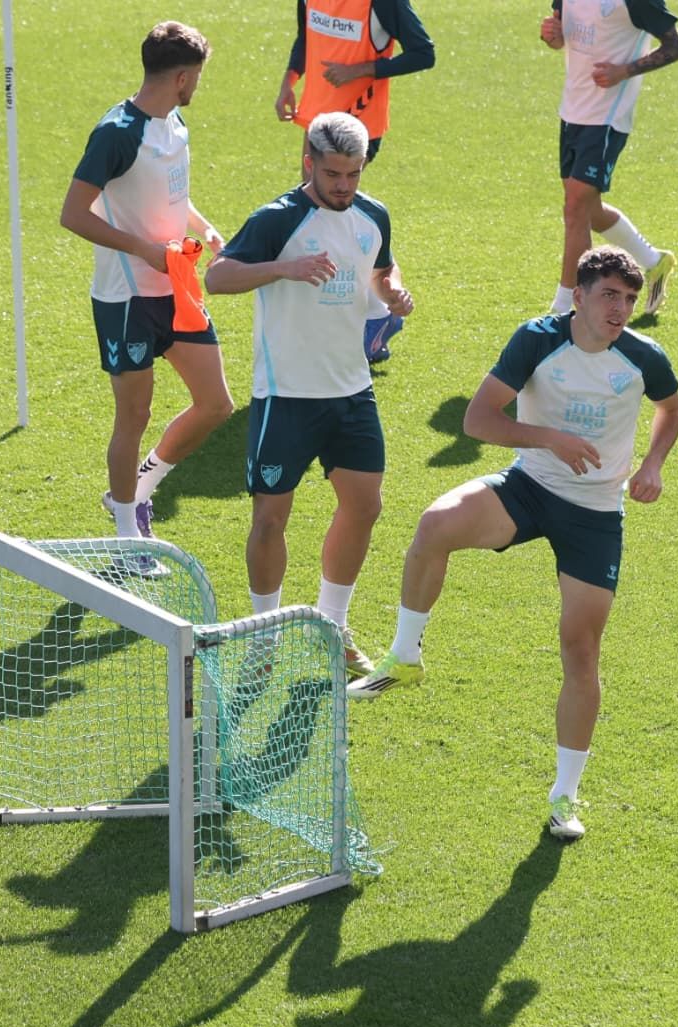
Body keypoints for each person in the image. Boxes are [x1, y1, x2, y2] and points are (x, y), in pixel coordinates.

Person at [348, 246, 678, 841]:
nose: (621, 309)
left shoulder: (643, 356)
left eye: (630, 299)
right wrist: (548, 438)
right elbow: (478, 421)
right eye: (610, 295)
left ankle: (564, 797)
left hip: (596, 513)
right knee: (435, 525)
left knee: (580, 650)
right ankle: (405, 658)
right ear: (578, 296)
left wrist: (652, 466)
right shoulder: (536, 340)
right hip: (529, 487)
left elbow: (671, 412)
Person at [203, 111, 415, 677]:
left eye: (354, 174)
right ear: (309, 164)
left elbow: (381, 272)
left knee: (365, 505)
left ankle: (332, 624)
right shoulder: (279, 218)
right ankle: (265, 638)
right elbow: (217, 279)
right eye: (333, 175)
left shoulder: (373, 216)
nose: (344, 186)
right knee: (271, 519)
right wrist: (284, 268)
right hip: (286, 395)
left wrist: (393, 294)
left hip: (351, 389)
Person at [60, 21, 234, 546]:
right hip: (127, 297)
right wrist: (144, 250)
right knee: (134, 414)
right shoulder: (116, 133)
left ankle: (141, 485)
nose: (198, 86)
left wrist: (201, 226)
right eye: (198, 77)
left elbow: (169, 192)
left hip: (175, 287)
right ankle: (126, 537)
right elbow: (72, 214)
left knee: (216, 405)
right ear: (182, 77)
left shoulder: (174, 123)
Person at [276, 0, 435, 362]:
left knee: (329, 214)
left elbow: (424, 53)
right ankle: (372, 316)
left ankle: (376, 315)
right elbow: (307, 37)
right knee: (317, 212)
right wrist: (289, 81)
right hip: (316, 116)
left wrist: (361, 70)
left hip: (358, 123)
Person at [538, 0, 678, 317]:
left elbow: (674, 48)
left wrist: (624, 71)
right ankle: (653, 261)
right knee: (587, 209)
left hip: (607, 117)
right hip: (572, 110)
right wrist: (553, 36)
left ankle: (564, 312)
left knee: (575, 206)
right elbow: (561, 34)